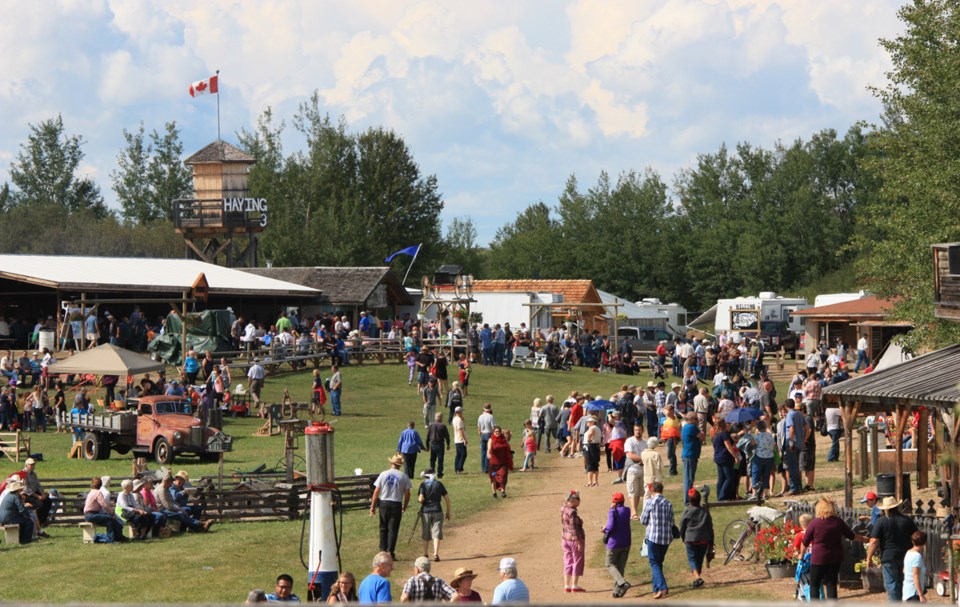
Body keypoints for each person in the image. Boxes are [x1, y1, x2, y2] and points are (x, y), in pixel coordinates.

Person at [801, 498, 869, 600]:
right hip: (835, 558)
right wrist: (864, 539)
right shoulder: (838, 522)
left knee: (814, 584)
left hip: (819, 558)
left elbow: (805, 542)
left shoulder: (814, 523)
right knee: (831, 584)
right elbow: (851, 536)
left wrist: (801, 555)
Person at [866, 496, 918, 602]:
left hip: (888, 556)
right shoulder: (907, 520)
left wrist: (869, 557)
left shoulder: (881, 521)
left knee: (891, 584)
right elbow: (916, 537)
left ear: (885, 509)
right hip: (906, 556)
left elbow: (874, 541)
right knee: (906, 582)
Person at [370, 454, 411, 561]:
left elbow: (376, 491)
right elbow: (407, 494)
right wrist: (405, 505)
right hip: (396, 503)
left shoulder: (384, 474)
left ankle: (382, 551)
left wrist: (373, 506)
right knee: (393, 529)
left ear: (391, 463)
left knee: (383, 527)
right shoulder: (403, 476)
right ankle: (390, 552)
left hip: (384, 502)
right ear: (400, 465)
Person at [640, 481, 675, 599]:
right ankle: (656, 590)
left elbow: (643, 520)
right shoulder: (668, 503)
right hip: (666, 538)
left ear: (652, 490)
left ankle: (662, 587)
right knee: (658, 563)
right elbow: (671, 522)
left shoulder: (650, 502)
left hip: (653, 537)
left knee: (654, 562)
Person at [680, 488, 713, 589]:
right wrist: (711, 542)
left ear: (689, 500)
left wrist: (683, 537)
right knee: (699, 560)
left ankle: (697, 578)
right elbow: (710, 527)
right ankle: (697, 579)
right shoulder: (705, 512)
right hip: (703, 539)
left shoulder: (686, 512)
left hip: (690, 538)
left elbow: (682, 526)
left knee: (692, 559)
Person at [602, 491, 632, 598]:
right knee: (620, 567)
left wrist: (604, 529)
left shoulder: (612, 512)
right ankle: (616, 591)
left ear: (614, 502)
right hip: (626, 542)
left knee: (610, 565)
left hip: (614, 543)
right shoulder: (628, 510)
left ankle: (623, 584)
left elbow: (610, 527)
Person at [418, 467, 451, 562]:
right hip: (437, 510)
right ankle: (436, 553)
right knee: (436, 532)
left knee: (426, 532)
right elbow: (447, 499)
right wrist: (448, 512)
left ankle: (425, 553)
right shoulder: (439, 484)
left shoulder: (423, 485)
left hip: (426, 511)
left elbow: (420, 499)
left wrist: (421, 501)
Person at [84, 476, 124, 543]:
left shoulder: (91, 492)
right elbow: (104, 505)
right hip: (92, 515)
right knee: (110, 518)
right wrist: (112, 512)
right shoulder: (98, 493)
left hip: (89, 515)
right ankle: (111, 538)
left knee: (109, 522)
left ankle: (114, 537)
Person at [560, 490, 586, 593]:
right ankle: (574, 585)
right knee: (577, 561)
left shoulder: (563, 508)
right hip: (574, 540)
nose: (579, 501)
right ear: (573, 500)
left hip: (565, 538)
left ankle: (567, 585)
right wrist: (579, 542)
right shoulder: (572, 512)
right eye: (578, 499)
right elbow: (574, 528)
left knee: (568, 561)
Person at [680, 412, 704, 505]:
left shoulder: (686, 427)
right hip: (690, 456)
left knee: (689, 479)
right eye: (696, 419)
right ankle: (687, 501)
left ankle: (688, 499)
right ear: (690, 419)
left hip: (690, 455)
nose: (698, 421)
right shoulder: (692, 427)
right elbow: (702, 437)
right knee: (689, 479)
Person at [0, 479, 33, 544]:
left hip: (3, 518)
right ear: (18, 490)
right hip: (9, 519)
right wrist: (28, 516)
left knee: (23, 521)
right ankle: (25, 540)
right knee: (29, 522)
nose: (21, 490)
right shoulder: (15, 497)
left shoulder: (9, 495)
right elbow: (22, 509)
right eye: (21, 489)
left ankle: (20, 538)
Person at [623, 424, 645, 519]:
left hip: (642, 469)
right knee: (632, 492)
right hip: (632, 468)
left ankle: (635, 511)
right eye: (636, 430)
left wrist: (643, 460)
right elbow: (630, 455)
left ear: (642, 431)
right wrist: (643, 459)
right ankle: (634, 513)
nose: (637, 432)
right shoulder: (629, 441)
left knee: (639, 492)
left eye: (639, 430)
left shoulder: (645, 443)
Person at [750, 420, 776, 500]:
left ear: (757, 428)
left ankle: (754, 493)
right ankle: (765, 494)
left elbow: (752, 445)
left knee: (755, 474)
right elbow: (773, 445)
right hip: (769, 457)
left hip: (759, 457)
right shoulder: (770, 435)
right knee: (766, 475)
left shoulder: (757, 436)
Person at [487, 426, 513, 498]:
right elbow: (489, 448)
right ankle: (494, 493)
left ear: (500, 432)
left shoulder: (503, 440)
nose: (497, 433)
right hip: (493, 465)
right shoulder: (491, 440)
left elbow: (508, 447)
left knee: (503, 476)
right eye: (496, 431)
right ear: (493, 432)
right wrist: (488, 453)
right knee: (493, 477)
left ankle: (503, 491)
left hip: (503, 463)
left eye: (498, 431)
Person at [902, 531, 927, 602]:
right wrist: (921, 595)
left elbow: (904, 570)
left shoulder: (908, 552)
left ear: (913, 541)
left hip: (907, 591)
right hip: (914, 593)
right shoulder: (917, 556)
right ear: (925, 543)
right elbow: (915, 576)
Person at [426, 413, 450, 478]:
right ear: (441, 418)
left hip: (433, 444)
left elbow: (427, 437)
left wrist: (427, 446)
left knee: (432, 460)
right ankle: (439, 473)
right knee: (440, 460)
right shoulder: (443, 426)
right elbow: (447, 436)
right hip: (440, 445)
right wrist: (448, 444)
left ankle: (431, 472)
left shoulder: (431, 426)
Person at [660, 404, 681, 475]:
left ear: (671, 411)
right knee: (671, 454)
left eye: (667, 411)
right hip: (668, 438)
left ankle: (672, 471)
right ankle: (673, 470)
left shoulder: (673, 419)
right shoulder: (668, 418)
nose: (665, 412)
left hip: (672, 438)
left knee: (670, 454)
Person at [641, 437, 664, 504]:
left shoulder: (643, 453)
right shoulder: (656, 454)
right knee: (656, 495)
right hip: (656, 479)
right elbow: (660, 467)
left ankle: (645, 510)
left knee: (647, 495)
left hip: (647, 478)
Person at [583, 416, 602, 487]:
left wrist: (589, 440)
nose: (588, 423)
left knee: (589, 463)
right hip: (595, 446)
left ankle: (590, 482)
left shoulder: (592, 428)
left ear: (593, 422)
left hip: (590, 446)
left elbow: (590, 433)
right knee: (595, 464)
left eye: (589, 422)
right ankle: (595, 481)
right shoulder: (597, 428)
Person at [477, 404, 496, 473]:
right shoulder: (491, 416)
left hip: (482, 434)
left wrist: (480, 435)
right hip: (489, 434)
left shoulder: (480, 416)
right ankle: (486, 468)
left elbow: (478, 427)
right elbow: (493, 427)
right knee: (489, 451)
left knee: (483, 452)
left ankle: (482, 467)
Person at [451, 407, 468, 474]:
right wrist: (464, 439)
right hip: (460, 439)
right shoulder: (459, 420)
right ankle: (459, 468)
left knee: (458, 454)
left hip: (456, 439)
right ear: (458, 412)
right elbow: (460, 430)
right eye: (461, 412)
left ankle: (456, 468)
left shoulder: (454, 419)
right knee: (463, 454)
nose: (462, 413)